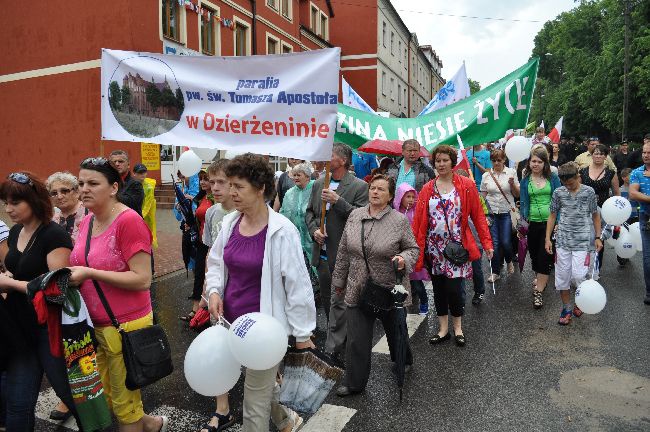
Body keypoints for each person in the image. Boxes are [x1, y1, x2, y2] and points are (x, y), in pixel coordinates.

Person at [206, 153, 315, 432]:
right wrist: (215, 291)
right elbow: (216, 261)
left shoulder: (282, 231)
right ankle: (285, 419)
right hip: (229, 322)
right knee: (258, 385)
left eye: (239, 186)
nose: (232, 192)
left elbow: (298, 285)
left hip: (265, 331)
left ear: (261, 188)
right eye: (230, 185)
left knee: (253, 406)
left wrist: (302, 335)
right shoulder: (230, 223)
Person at [67, 158, 168, 432]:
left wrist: (89, 273)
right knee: (106, 397)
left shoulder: (129, 221)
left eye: (92, 183)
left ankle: (142, 423)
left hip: (125, 325)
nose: (84, 189)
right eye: (81, 183)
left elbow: (142, 279)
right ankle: (152, 424)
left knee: (124, 406)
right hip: (93, 325)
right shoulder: (87, 221)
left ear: (113, 187)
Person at [0, 172, 82, 430]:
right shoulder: (14, 232)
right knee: (17, 403)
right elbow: (17, 269)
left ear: (34, 201)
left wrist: (10, 283)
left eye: (15, 202)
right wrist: (9, 276)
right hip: (18, 329)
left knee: (72, 395)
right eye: (6, 202)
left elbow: (56, 288)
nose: (8, 208)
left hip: (49, 329)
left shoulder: (53, 235)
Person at [333, 175, 419, 396]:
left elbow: (413, 249)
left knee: (396, 332)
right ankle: (354, 383)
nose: (375, 192)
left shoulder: (399, 220)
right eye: (372, 188)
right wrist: (339, 281)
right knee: (357, 340)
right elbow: (343, 251)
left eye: (381, 189)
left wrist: (403, 259)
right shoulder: (354, 215)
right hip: (358, 285)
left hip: (388, 288)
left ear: (390, 196)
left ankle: (403, 359)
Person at [412, 145, 493, 347]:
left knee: (455, 289)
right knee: (439, 289)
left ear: (452, 161)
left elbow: (478, 216)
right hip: (434, 249)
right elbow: (419, 222)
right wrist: (415, 248)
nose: (441, 164)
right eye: (437, 161)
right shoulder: (427, 188)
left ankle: (458, 327)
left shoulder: (466, 185)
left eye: (445, 160)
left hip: (457, 247)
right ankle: (443, 329)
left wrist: (487, 243)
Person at [305, 143, 369, 358]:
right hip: (322, 255)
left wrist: (338, 201)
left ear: (342, 160)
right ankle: (340, 339)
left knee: (340, 301)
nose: (325, 157)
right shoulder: (317, 184)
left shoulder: (359, 186)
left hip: (344, 256)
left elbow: (362, 217)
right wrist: (314, 230)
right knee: (328, 300)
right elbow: (310, 214)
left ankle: (334, 350)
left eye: (330, 155)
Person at [197, 159, 237, 432]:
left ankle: (276, 397)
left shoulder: (254, 213)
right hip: (219, 294)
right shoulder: (211, 213)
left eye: (221, 182)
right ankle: (222, 409)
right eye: (212, 182)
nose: (215, 188)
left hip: (246, 293)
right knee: (220, 349)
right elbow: (211, 256)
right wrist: (206, 289)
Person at [545, 162, 602, 324]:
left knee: (578, 276)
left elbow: (595, 215)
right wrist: (547, 238)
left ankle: (580, 302)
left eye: (571, 183)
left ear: (578, 177)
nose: (568, 187)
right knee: (562, 278)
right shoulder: (558, 192)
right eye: (565, 184)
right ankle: (566, 308)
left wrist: (598, 237)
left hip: (583, 242)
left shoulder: (589, 192)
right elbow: (552, 215)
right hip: (563, 241)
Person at [520, 145, 562, 309]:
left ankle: (539, 292)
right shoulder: (525, 180)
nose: (535, 164)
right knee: (535, 257)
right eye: (533, 161)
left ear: (545, 163)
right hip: (532, 224)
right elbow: (523, 203)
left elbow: (559, 201)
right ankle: (540, 276)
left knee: (545, 256)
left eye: (539, 161)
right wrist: (522, 227)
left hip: (550, 224)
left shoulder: (553, 179)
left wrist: (558, 222)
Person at [579, 144, 619, 278]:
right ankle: (582, 269)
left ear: (605, 156)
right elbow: (576, 190)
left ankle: (596, 269)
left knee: (598, 239)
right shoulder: (583, 171)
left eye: (601, 154)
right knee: (584, 240)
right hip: (584, 211)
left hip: (603, 212)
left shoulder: (610, 173)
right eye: (595, 153)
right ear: (592, 155)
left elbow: (616, 194)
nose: (598, 156)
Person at [481, 149, 520, 282]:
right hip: (491, 214)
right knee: (495, 244)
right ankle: (495, 272)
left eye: (499, 160)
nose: (496, 163)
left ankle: (509, 260)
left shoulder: (511, 172)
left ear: (504, 160)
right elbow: (483, 195)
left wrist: (512, 184)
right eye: (494, 160)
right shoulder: (486, 175)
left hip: (506, 212)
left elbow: (517, 194)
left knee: (506, 242)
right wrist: (481, 212)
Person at [393, 182, 430, 315]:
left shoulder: (417, 212)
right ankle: (400, 305)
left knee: (416, 281)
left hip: (413, 252)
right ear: (400, 197)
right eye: (407, 196)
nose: (411, 200)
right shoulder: (395, 213)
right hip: (398, 251)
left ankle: (424, 302)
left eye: (413, 197)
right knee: (400, 281)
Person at [181, 170, 213, 322]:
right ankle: (196, 309)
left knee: (212, 276)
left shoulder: (217, 198)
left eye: (206, 179)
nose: (203, 182)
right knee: (199, 273)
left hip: (214, 242)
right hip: (201, 241)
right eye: (201, 179)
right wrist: (191, 224)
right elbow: (198, 217)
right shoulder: (201, 197)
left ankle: (213, 309)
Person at [280, 162, 316, 266]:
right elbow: (283, 213)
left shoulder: (315, 188)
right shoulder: (289, 193)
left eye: (299, 175)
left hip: (312, 238)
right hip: (294, 239)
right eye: (294, 175)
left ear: (307, 177)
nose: (295, 177)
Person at [629, 140, 650, 305]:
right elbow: (633, 194)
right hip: (646, 215)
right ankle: (649, 291)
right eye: (644, 152)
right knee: (647, 256)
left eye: (649, 153)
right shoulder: (637, 172)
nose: (645, 155)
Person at [47, 171, 86, 244]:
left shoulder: (89, 213)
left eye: (64, 191)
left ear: (77, 192)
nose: (59, 197)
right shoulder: (50, 218)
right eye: (54, 193)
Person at [109, 150, 145, 216]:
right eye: (114, 162)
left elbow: (131, 204)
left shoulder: (136, 184)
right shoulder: (107, 183)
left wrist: (107, 194)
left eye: (121, 161)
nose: (117, 164)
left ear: (128, 165)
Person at [131, 164, 158, 249]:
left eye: (144, 172)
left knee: (146, 239)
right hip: (133, 215)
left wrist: (140, 216)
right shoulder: (130, 185)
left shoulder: (150, 186)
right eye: (140, 172)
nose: (142, 174)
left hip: (145, 216)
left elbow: (148, 204)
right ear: (134, 174)